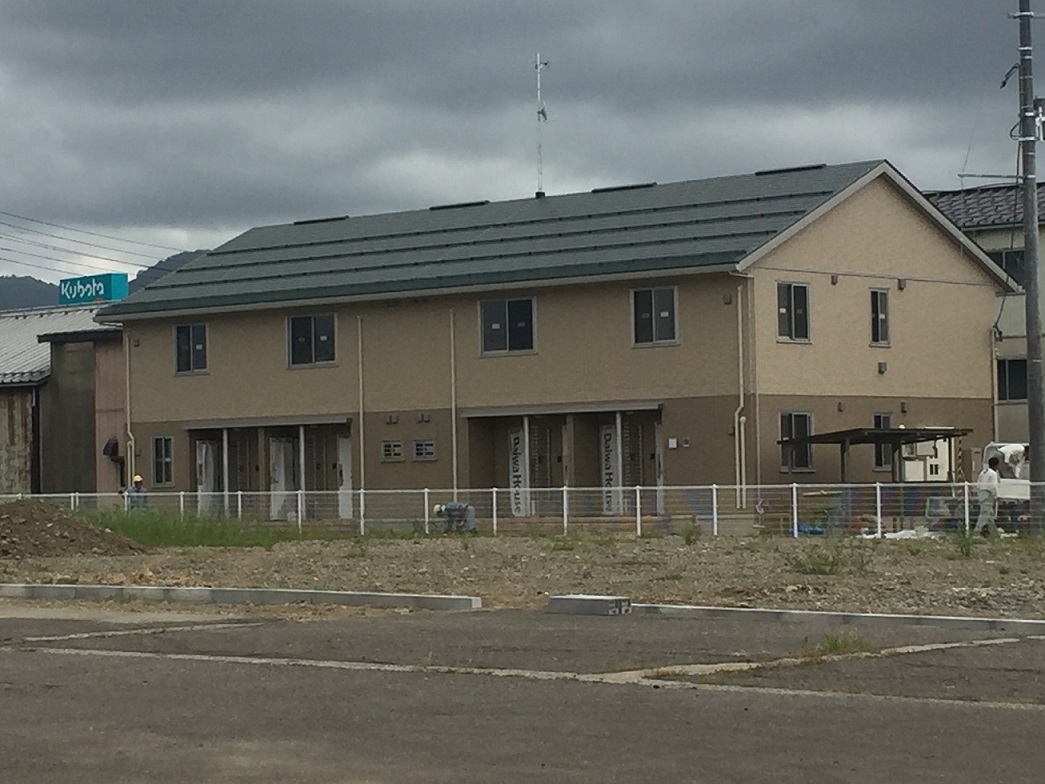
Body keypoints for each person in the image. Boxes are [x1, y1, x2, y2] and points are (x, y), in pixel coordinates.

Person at [975, 456, 1000, 537]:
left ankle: (995, 533)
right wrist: (996, 496)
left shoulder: (983, 472)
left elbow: (978, 484)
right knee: (984, 514)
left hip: (981, 493)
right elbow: (993, 486)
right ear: (996, 465)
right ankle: (976, 532)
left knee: (990, 515)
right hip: (988, 494)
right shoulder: (993, 473)